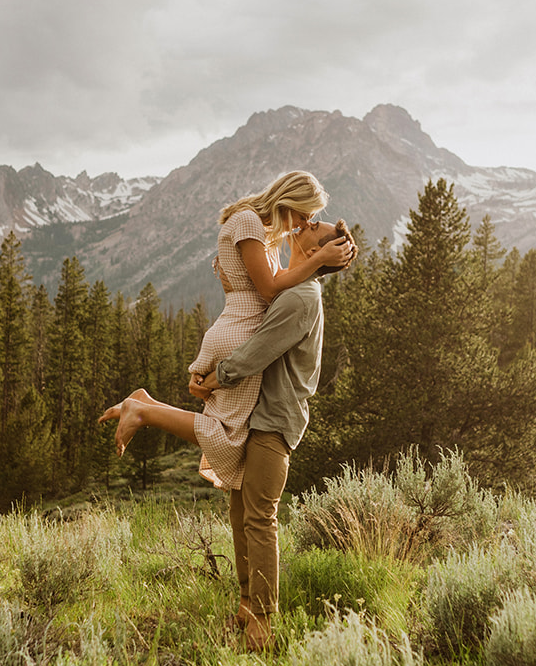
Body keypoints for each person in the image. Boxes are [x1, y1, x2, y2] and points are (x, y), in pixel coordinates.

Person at [99, 173, 350, 485]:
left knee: (225, 431)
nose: (301, 224)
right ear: (289, 202)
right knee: (227, 438)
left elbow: (276, 283)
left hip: (238, 325)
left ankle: (146, 405)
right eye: (304, 215)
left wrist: (320, 261)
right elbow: (271, 291)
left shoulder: (260, 228)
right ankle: (143, 412)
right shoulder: (249, 222)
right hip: (241, 329)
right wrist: (320, 259)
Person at [189, 217, 354, 650]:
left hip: (275, 421)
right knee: (241, 513)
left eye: (316, 228)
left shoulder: (302, 296)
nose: (308, 224)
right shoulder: (291, 287)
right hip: (258, 415)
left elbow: (258, 350)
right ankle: (246, 605)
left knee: (260, 517)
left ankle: (263, 621)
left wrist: (215, 377)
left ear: (322, 252)